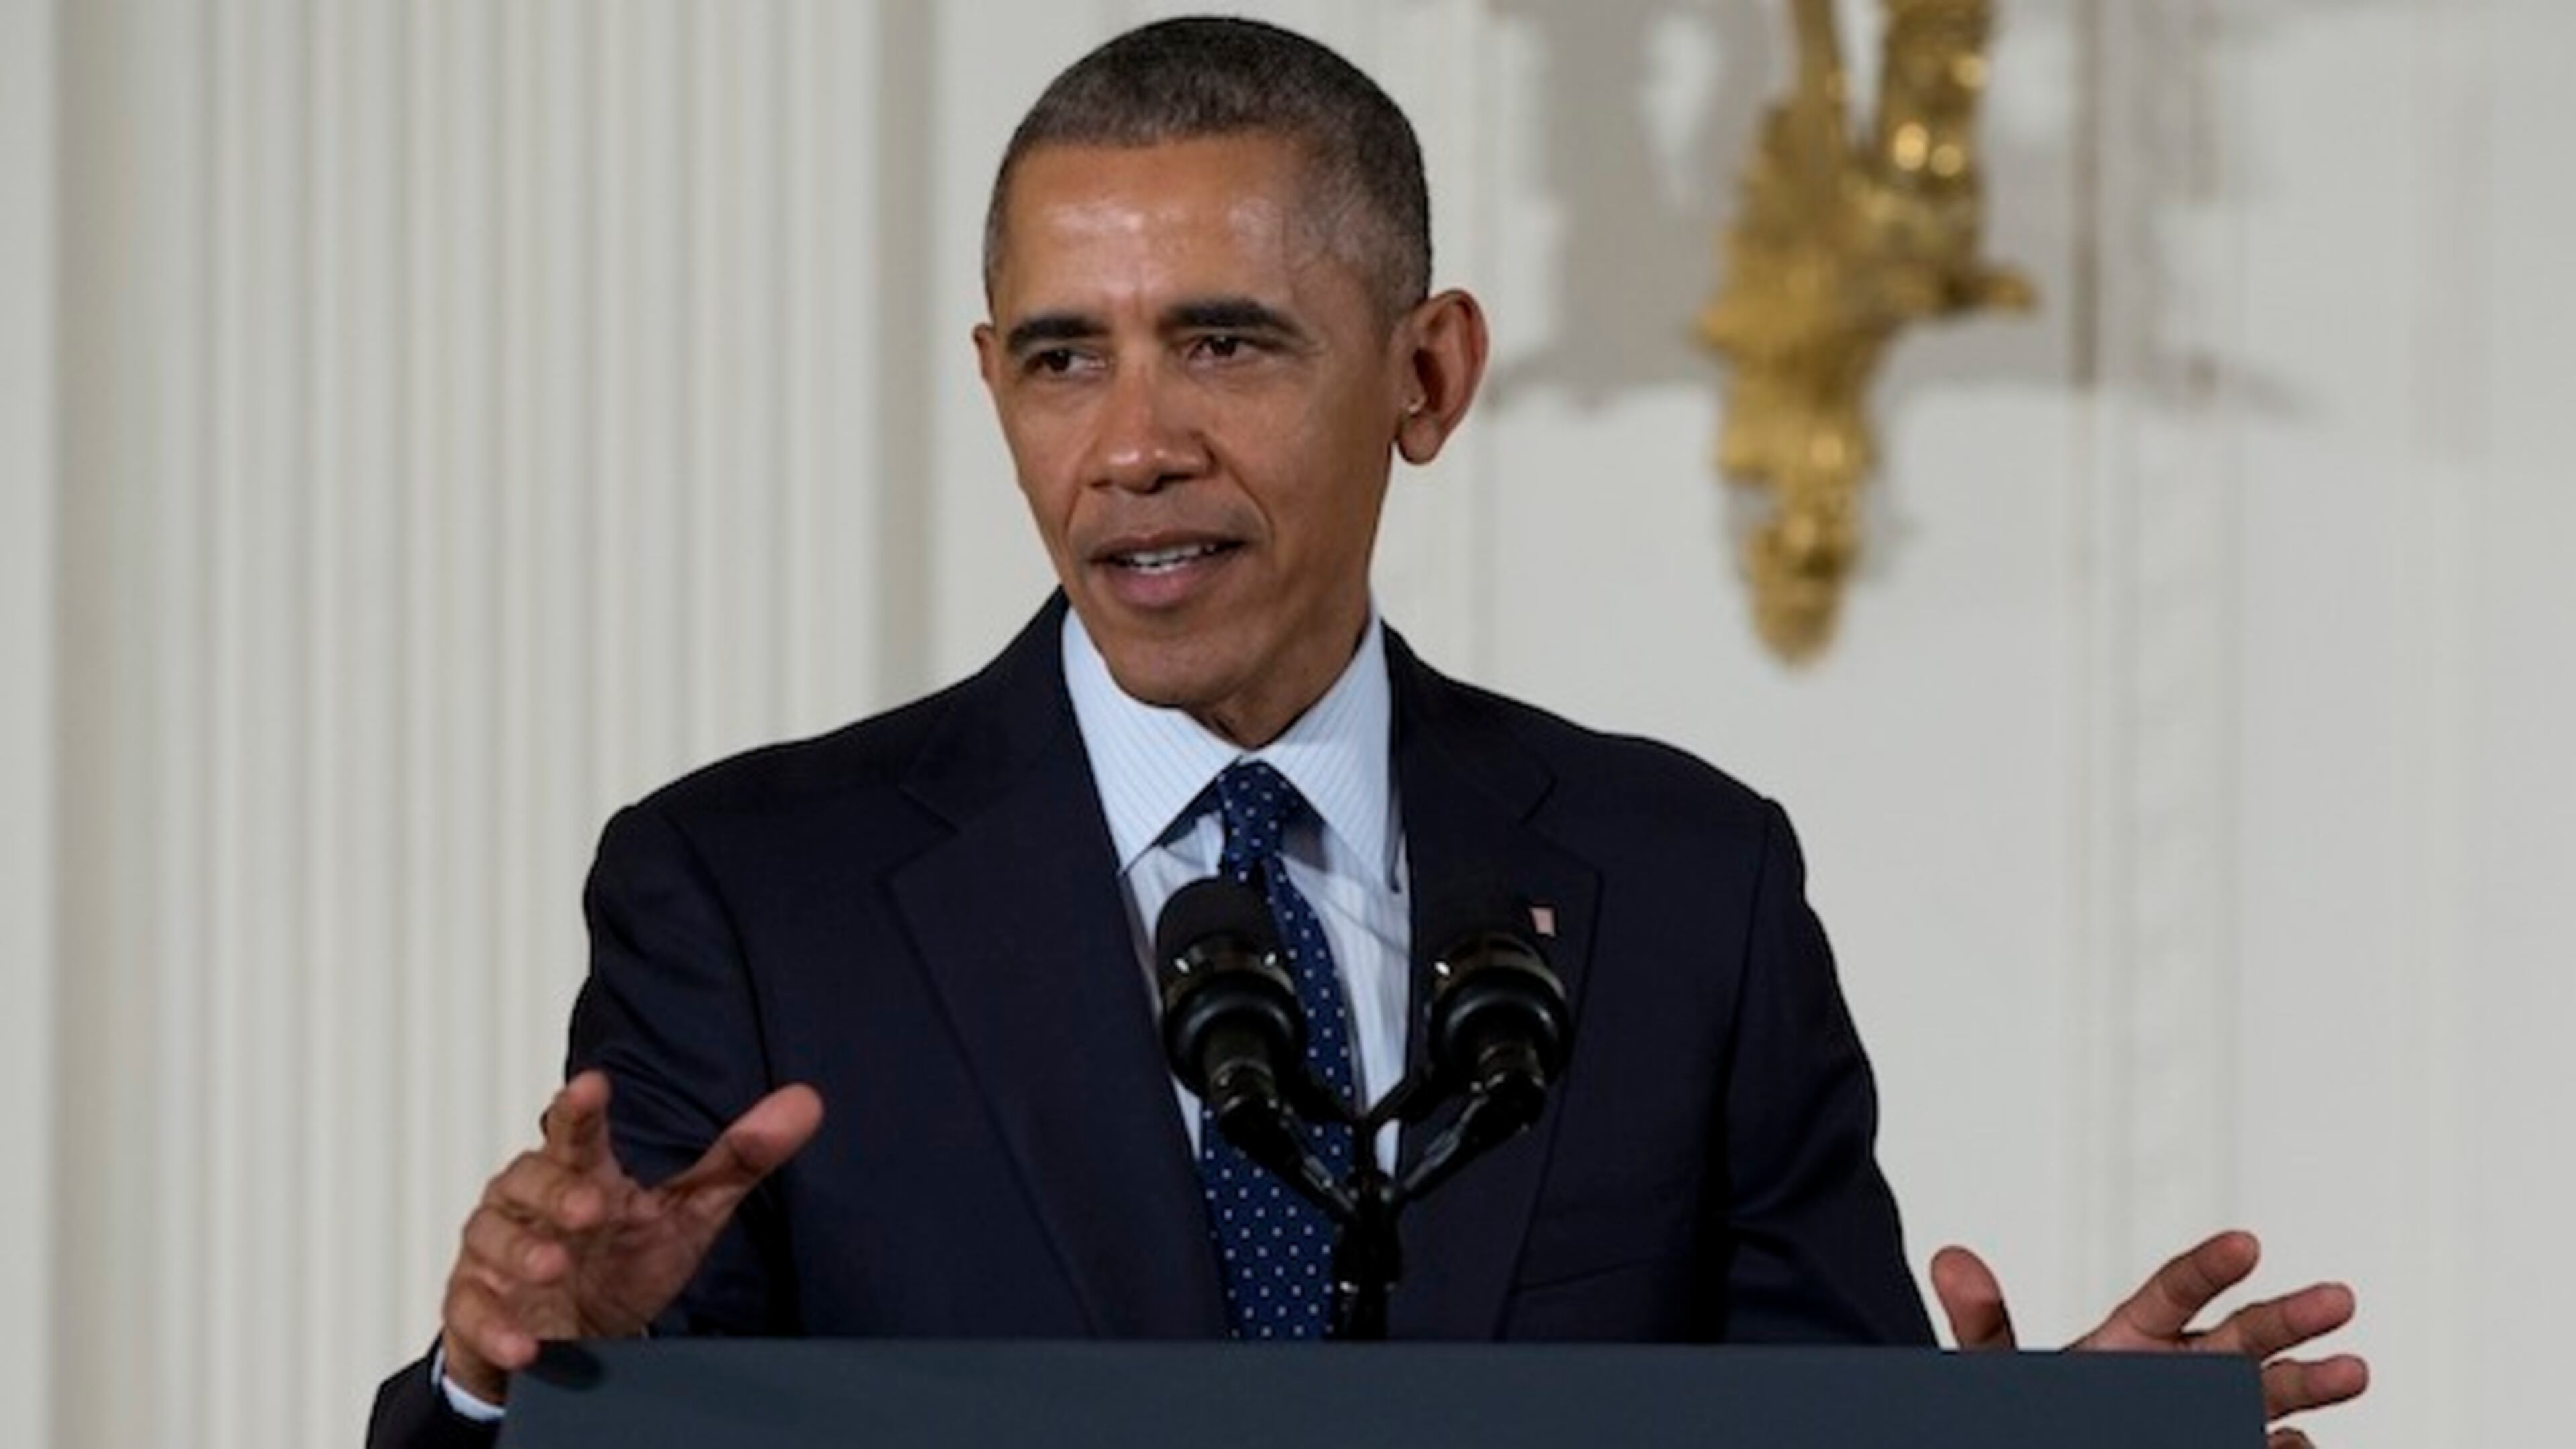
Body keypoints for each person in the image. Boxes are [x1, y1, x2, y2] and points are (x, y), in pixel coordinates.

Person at [368, 17, 2367, 1448]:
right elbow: (619, 1415)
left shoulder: (1685, 883)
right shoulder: (752, 893)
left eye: (1225, 342)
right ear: (992, 384)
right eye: (1063, 358)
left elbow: (1793, 1428)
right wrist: (506, 1378)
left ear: (1428, 372)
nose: (1135, 442)